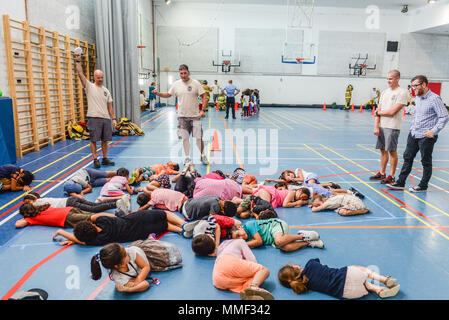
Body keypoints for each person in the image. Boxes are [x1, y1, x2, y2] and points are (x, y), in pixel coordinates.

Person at [387, 75, 449, 192]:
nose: (413, 89)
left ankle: (423, 185)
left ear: (424, 85)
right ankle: (400, 182)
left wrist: (433, 131)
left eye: (415, 86)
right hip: (414, 133)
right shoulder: (418, 98)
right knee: (407, 158)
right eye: (412, 86)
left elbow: (444, 116)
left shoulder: (434, 99)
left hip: (426, 136)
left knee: (425, 161)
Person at [152, 64, 209, 169]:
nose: (183, 75)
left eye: (185, 73)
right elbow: (168, 94)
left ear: (188, 72)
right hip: (182, 116)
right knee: (185, 138)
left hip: (195, 116)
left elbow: (204, 96)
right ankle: (187, 157)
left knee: (198, 138)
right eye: (181, 73)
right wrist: (158, 93)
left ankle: (202, 155)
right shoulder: (176, 84)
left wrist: (203, 110)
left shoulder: (195, 83)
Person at [52, 209, 196, 246]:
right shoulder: (101, 220)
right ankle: (183, 225)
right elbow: (110, 216)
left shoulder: (97, 240)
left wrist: (63, 233)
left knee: (163, 226)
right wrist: (58, 231)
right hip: (134, 219)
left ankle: (181, 231)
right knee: (164, 214)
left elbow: (80, 240)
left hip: (138, 233)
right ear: (90, 225)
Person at [74, 50, 117, 169]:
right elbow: (80, 73)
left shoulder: (106, 90)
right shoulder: (89, 86)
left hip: (105, 118)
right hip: (94, 117)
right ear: (94, 77)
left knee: (105, 140)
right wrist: (78, 60)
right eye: (98, 77)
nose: (100, 79)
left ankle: (104, 158)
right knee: (94, 140)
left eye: (102, 77)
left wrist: (113, 118)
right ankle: (95, 159)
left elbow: (110, 106)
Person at [278, 258, 400, 299]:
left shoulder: (305, 286)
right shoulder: (310, 264)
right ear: (294, 267)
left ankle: (379, 290)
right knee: (356, 268)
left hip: (349, 294)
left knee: (364, 283)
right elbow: (322, 264)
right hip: (348, 276)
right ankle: (383, 279)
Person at [371, 70, 409, 185]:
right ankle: (382, 173)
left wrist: (379, 113)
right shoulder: (385, 92)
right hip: (382, 126)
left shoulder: (402, 93)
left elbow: (392, 112)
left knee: (392, 151)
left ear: (397, 79)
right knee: (382, 150)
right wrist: (376, 126)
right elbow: (378, 110)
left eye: (391, 78)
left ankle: (391, 176)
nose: (389, 81)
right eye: (388, 78)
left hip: (393, 126)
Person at [227, 219, 324, 252]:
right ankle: (308, 242)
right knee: (284, 248)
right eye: (238, 238)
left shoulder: (249, 225)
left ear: (239, 227)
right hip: (273, 239)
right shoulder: (245, 239)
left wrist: (242, 244)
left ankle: (303, 235)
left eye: (238, 234)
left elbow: (259, 241)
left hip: (275, 226)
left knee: (279, 241)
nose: (241, 238)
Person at [15, 203, 119, 229]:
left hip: (66, 218)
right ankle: (115, 216)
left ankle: (117, 218)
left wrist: (24, 217)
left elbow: (18, 224)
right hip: (69, 209)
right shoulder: (42, 207)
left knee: (92, 218)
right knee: (93, 215)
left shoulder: (30, 218)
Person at [22, 192, 131, 215]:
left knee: (93, 209)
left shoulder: (37, 203)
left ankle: (116, 203)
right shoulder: (44, 198)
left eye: (28, 202)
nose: (29, 204)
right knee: (94, 205)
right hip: (71, 200)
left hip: (70, 203)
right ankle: (118, 201)